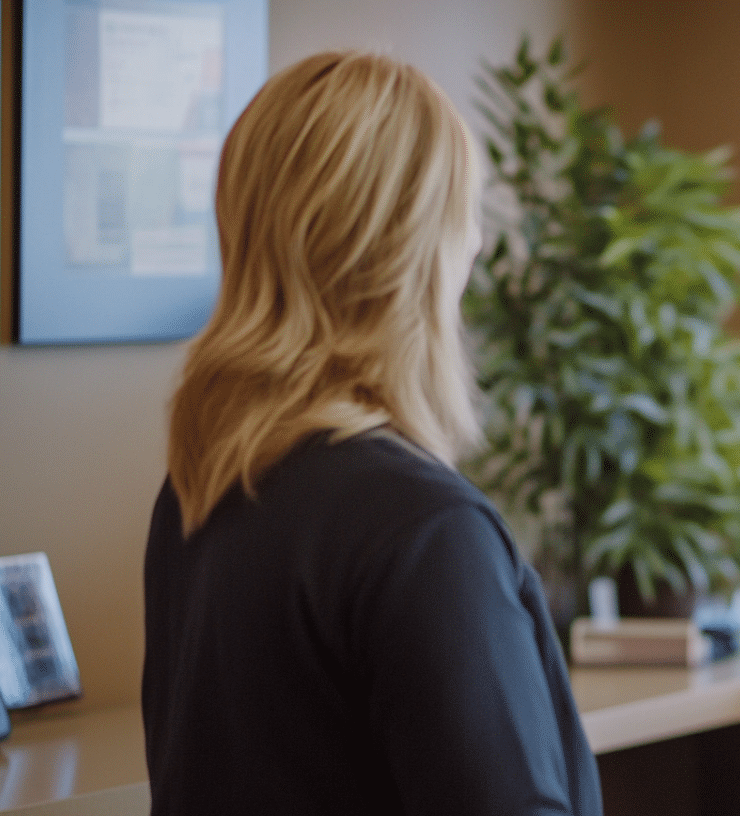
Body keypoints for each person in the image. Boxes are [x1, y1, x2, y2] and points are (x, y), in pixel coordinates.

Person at [142, 51, 603, 816]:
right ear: (404, 251)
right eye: (465, 218)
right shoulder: (424, 533)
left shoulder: (199, 491)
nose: (477, 248)